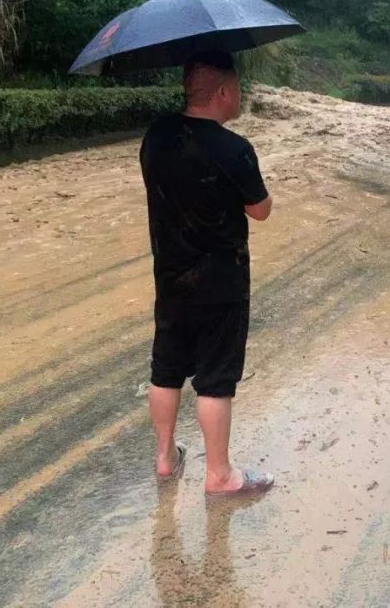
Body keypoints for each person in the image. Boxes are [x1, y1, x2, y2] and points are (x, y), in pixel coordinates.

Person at [140, 50, 274, 495]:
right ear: (222, 92)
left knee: (167, 368)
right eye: (236, 87)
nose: (239, 95)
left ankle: (164, 459)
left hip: (171, 277)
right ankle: (219, 475)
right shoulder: (234, 148)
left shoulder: (155, 137)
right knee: (216, 379)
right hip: (221, 282)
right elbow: (261, 211)